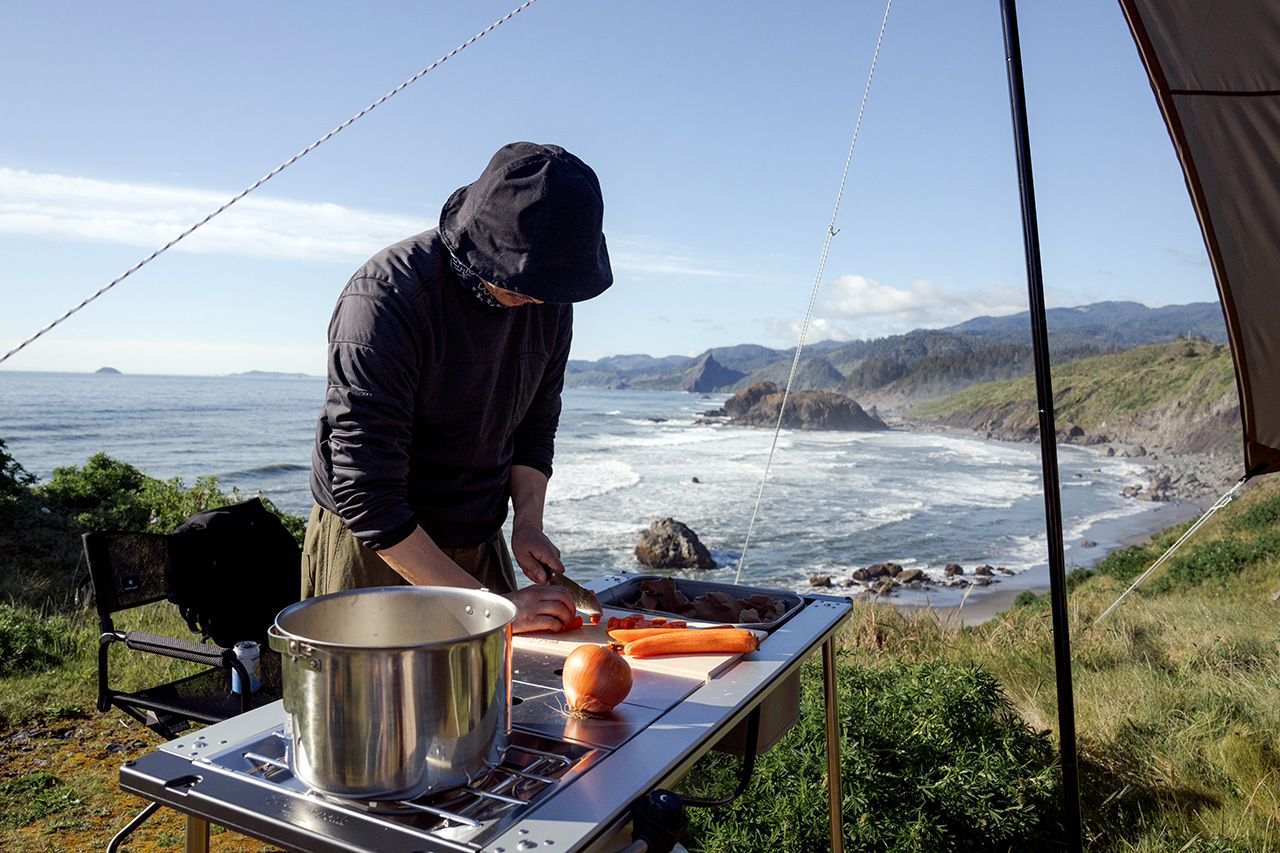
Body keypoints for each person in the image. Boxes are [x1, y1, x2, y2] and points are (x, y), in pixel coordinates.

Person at [302, 142, 612, 633]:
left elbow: (535, 423)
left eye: (548, 284)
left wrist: (528, 521)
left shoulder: (548, 297)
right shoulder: (386, 298)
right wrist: (492, 608)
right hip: (380, 549)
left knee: (493, 704)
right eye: (523, 279)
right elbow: (367, 493)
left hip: (477, 537)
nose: (536, 296)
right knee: (379, 709)